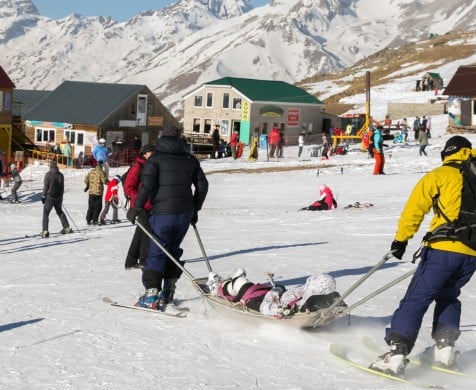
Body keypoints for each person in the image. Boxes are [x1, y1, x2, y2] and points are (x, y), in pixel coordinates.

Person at [369, 136, 476, 376]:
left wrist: (401, 240)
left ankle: (396, 355)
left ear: (447, 154)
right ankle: (444, 351)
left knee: (417, 298)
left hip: (445, 248)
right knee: (449, 295)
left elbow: (415, 209)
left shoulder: (440, 175)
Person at [127, 125, 208, 309]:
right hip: (184, 213)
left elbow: (146, 186)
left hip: (164, 212)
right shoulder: (190, 159)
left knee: (156, 251)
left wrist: (136, 208)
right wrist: (194, 209)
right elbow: (203, 187)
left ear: (161, 139)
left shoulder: (155, 159)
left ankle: (151, 295)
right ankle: (168, 291)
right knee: (172, 250)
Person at [208, 269, 341, 317]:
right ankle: (224, 284)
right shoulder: (309, 295)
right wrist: (278, 289)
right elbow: (290, 295)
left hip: (257, 300)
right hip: (265, 294)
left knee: (240, 283)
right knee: (241, 283)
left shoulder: (306, 299)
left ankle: (220, 286)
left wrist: (277, 306)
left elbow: (264, 307)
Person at [124, 144, 155, 269]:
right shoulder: (138, 166)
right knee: (147, 232)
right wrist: (139, 198)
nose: (152, 154)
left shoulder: (151, 166)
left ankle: (130, 261)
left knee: (140, 233)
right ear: (144, 154)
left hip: (148, 206)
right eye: (150, 152)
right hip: (138, 206)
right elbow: (128, 187)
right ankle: (143, 260)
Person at [40, 160, 73, 238]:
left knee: (46, 213)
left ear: (50, 166)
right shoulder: (60, 175)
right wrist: (61, 197)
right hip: (58, 197)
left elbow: (46, 187)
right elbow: (62, 187)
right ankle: (67, 227)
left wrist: (43, 196)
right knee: (60, 212)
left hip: (50, 197)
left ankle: (45, 230)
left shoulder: (48, 175)